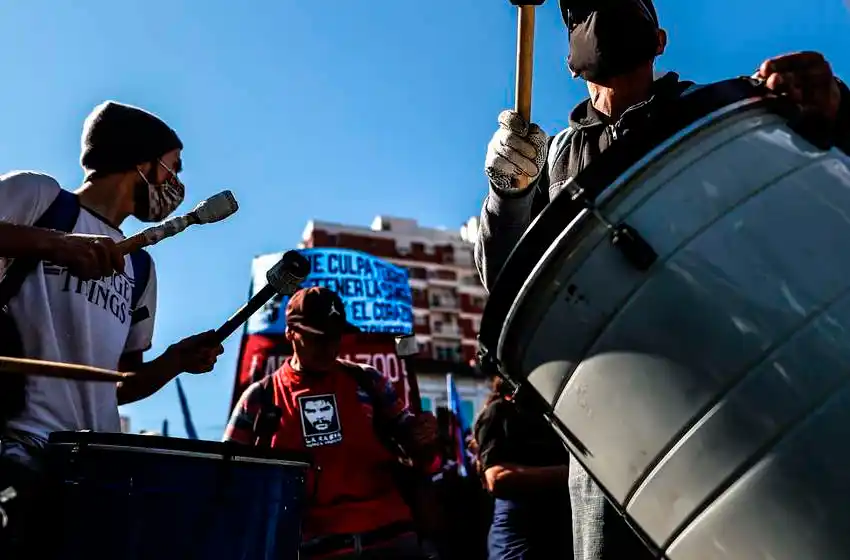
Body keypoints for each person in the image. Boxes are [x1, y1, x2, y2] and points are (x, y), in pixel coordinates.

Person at [475, 1, 850, 559]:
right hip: (611, 435)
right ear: (569, 63)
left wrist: (834, 108)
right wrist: (507, 196)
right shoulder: (549, 159)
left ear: (661, 40)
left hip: (745, 389)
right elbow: (509, 283)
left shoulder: (718, 115)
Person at [0, 101, 223, 555]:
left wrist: (174, 362)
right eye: (172, 167)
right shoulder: (41, 199)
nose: (175, 184)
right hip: (15, 450)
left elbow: (120, 385)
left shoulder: (140, 267)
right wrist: (56, 244)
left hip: (89, 471)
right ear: (141, 163)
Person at [224, 286, 441, 559]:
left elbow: (422, 456)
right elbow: (226, 480)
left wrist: (424, 436)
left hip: (392, 539)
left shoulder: (368, 381)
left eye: (335, 336)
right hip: (313, 548)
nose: (329, 347)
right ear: (290, 333)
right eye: (317, 338)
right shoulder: (259, 399)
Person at [473, 375, 573, 560]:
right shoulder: (500, 411)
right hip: (518, 540)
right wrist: (567, 474)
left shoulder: (552, 416)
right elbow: (496, 478)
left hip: (556, 534)